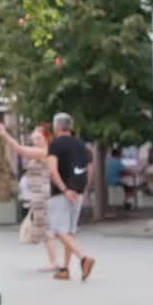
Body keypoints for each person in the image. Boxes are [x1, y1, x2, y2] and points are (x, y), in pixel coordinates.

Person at [0, 121, 61, 271]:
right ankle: (54, 260)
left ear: (46, 138)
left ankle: (54, 261)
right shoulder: (40, 151)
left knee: (45, 227)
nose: (35, 141)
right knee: (45, 227)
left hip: (41, 193)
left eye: (38, 138)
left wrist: (4, 134)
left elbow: (19, 149)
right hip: (37, 193)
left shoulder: (43, 151)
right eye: (34, 138)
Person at [46, 113, 95, 281]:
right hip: (78, 193)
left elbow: (52, 170)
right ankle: (65, 269)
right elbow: (90, 169)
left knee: (59, 231)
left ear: (57, 126)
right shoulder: (82, 145)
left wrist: (64, 189)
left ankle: (83, 258)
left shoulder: (55, 145)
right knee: (69, 232)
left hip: (61, 194)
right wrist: (83, 189)